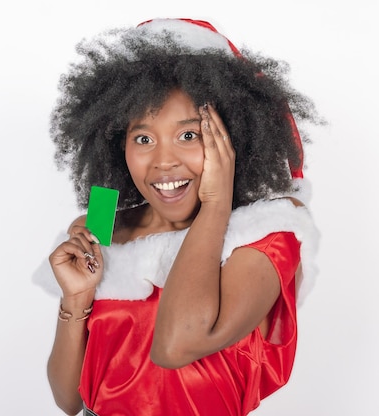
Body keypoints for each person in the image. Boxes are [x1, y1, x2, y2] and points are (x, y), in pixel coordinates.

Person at [32, 18, 321, 416]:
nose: (164, 161)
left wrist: (216, 203)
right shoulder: (98, 222)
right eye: (143, 138)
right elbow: (69, 401)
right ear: (119, 145)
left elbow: (175, 345)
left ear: (232, 139)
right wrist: (77, 298)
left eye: (189, 135)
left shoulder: (266, 231)